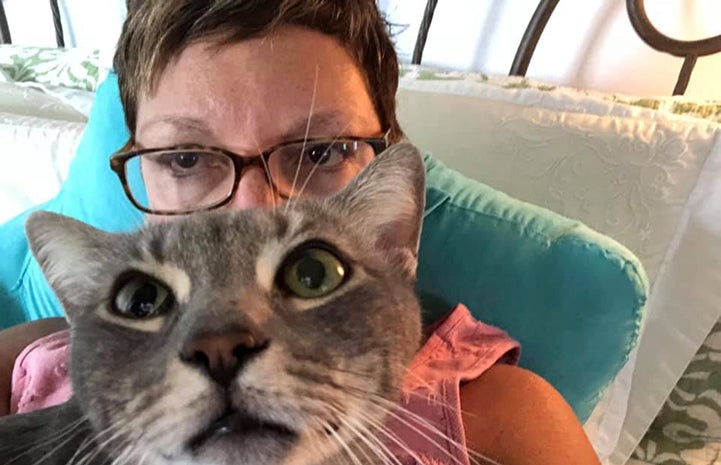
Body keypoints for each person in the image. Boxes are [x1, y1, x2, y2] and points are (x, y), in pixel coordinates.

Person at [0, 1, 601, 464]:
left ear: (393, 232)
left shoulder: (501, 420)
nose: (248, 207)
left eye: (319, 151)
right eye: (185, 158)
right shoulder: (38, 352)